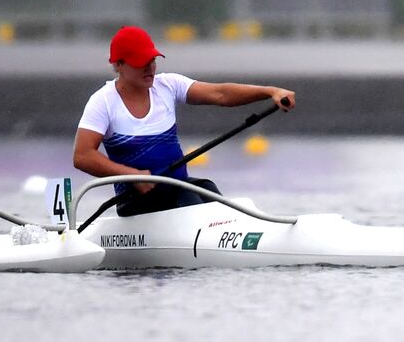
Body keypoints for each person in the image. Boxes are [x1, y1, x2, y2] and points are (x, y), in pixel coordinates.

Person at [73, 25, 295, 217]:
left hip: (178, 192)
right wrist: (132, 176)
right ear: (119, 65)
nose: (150, 67)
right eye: (141, 62)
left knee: (207, 188)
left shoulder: (168, 85)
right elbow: (82, 156)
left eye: (152, 60)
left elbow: (220, 94)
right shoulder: (103, 102)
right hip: (135, 200)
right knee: (188, 195)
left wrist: (270, 91)